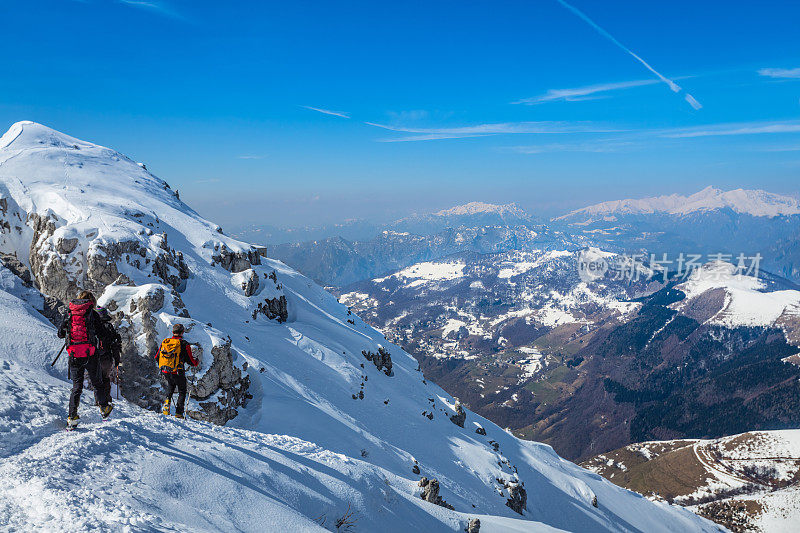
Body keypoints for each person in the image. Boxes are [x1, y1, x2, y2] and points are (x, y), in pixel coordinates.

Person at [58, 291, 113, 428]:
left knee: (77, 386)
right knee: (97, 383)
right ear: (91, 301)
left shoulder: (70, 313)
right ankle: (104, 408)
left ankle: (72, 417)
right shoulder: (92, 314)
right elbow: (103, 334)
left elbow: (60, 334)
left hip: (74, 354)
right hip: (90, 353)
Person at [155, 323, 198, 419]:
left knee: (170, 387)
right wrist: (196, 362)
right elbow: (190, 360)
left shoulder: (165, 342)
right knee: (182, 391)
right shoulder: (184, 344)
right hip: (178, 371)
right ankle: (179, 413)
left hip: (166, 371)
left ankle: (166, 408)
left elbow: (157, 357)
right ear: (182, 332)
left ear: (173, 332)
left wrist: (165, 366)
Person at [94, 307, 122, 407]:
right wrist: (117, 359)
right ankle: (106, 400)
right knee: (105, 378)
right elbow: (114, 345)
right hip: (106, 358)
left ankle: (98, 400)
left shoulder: (92, 326)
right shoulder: (108, 327)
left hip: (93, 357)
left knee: (96, 380)